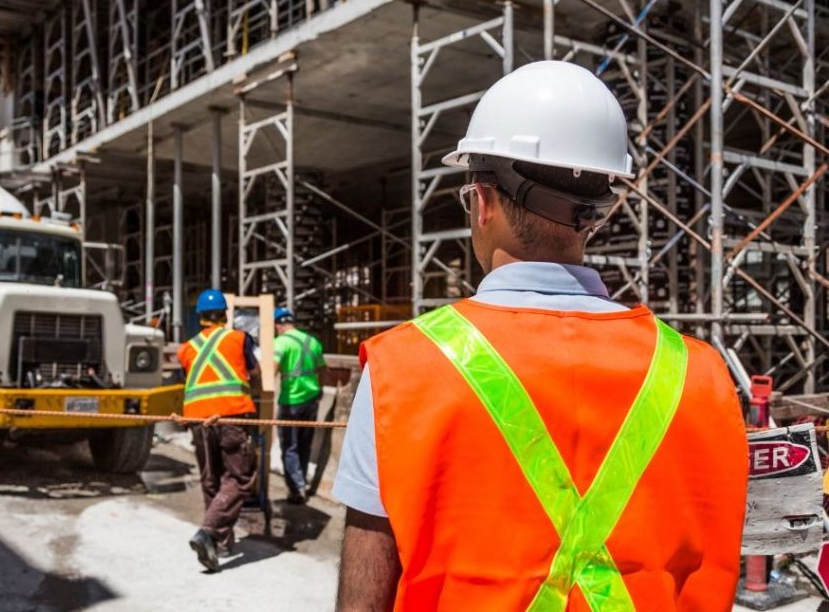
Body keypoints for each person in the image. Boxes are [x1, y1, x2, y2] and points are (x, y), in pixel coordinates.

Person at [333, 61, 748, 610]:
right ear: (596, 214)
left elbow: (365, 594)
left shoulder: (402, 369)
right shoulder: (700, 373)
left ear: (481, 201)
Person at [178, 289, 260, 572]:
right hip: (231, 415)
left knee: (211, 479)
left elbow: (190, 381)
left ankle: (220, 543)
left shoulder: (186, 348)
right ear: (225, 315)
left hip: (198, 421)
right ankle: (209, 531)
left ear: (199, 317)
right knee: (241, 479)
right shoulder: (239, 339)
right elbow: (256, 371)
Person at [272, 307, 326, 504]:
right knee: (304, 444)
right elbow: (323, 369)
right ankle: (301, 481)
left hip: (290, 402)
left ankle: (297, 489)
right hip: (311, 401)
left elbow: (273, 370)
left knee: (289, 446)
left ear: (278, 325)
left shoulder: (280, 342)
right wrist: (319, 388)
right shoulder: (312, 341)